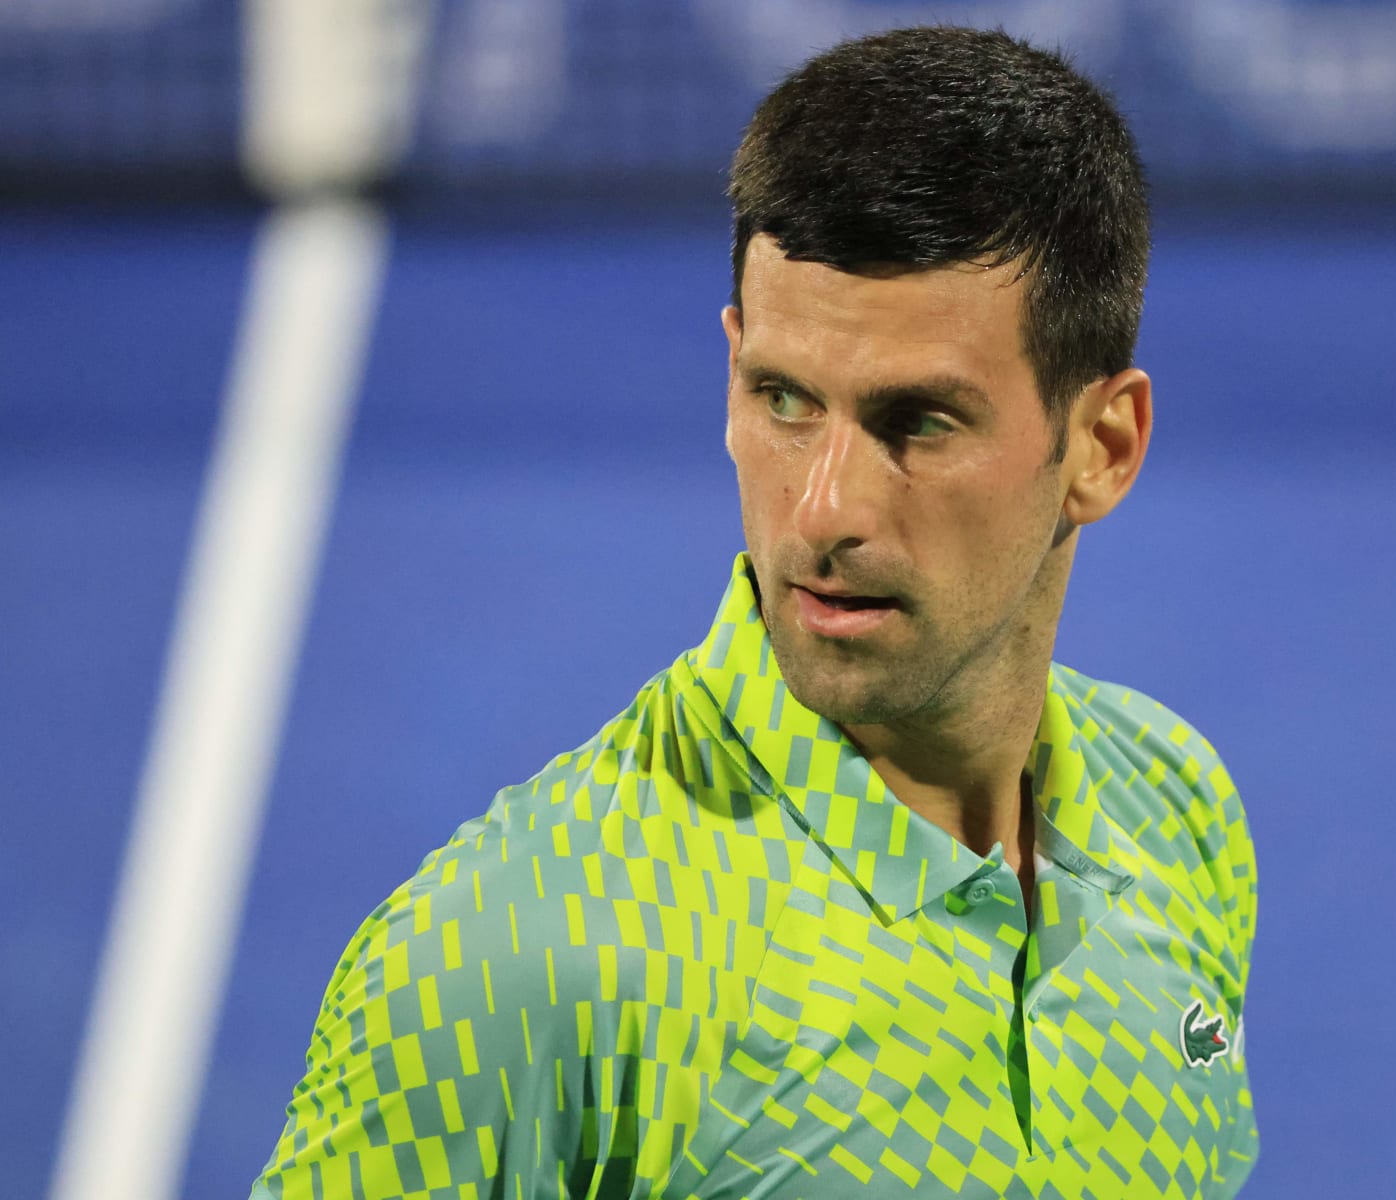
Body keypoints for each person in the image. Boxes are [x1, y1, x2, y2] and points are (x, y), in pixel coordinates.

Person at [251, 25, 1257, 1199]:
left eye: (917, 423)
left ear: (1101, 445)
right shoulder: (513, 966)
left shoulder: (1177, 811)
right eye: (782, 398)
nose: (823, 510)